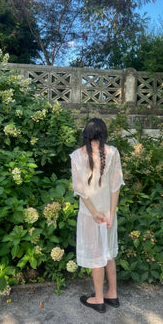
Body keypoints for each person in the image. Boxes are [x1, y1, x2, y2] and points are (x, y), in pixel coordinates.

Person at [70, 118, 124, 313]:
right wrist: (110, 213)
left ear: (85, 134)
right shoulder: (114, 153)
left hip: (89, 214)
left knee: (96, 255)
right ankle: (113, 294)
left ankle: (99, 298)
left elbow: (80, 190)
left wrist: (94, 214)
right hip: (108, 213)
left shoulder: (76, 156)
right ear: (104, 134)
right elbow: (115, 186)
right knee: (108, 253)